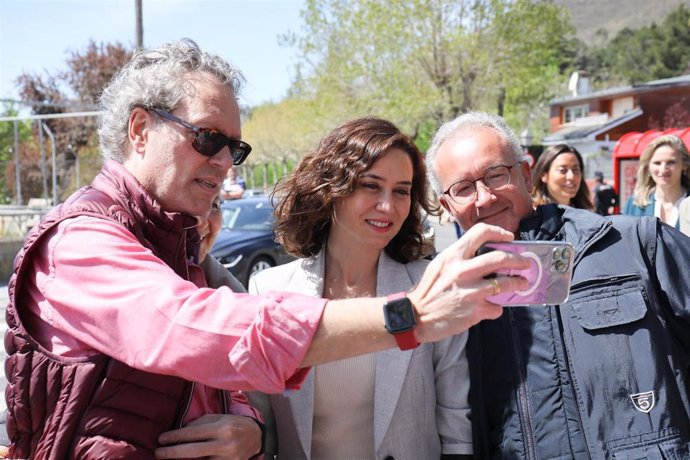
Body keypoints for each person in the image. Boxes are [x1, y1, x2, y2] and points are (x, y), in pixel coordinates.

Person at [4, 40, 530, 459]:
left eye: (234, 148)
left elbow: (230, 391)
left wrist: (251, 433)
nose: (224, 162)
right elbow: (210, 332)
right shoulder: (80, 243)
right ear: (140, 129)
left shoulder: (181, 248)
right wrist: (409, 316)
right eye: (208, 139)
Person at [425, 111, 690, 459]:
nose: (484, 197)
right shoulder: (443, 292)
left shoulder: (634, 244)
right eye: (463, 188)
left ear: (524, 173)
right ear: (447, 206)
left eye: (496, 175)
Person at [248, 117, 472, 459]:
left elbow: (458, 428)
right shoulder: (269, 290)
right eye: (371, 185)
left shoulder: (431, 287)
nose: (387, 206)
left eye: (401, 191)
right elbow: (260, 428)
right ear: (332, 188)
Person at [622, 134, 690, 228]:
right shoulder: (634, 204)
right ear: (648, 167)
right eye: (657, 163)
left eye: (671, 162)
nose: (663, 169)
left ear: (685, 165)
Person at [530, 143, 593, 209]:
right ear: (544, 175)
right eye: (563, 170)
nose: (571, 176)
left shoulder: (587, 215)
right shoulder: (532, 214)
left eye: (575, 170)